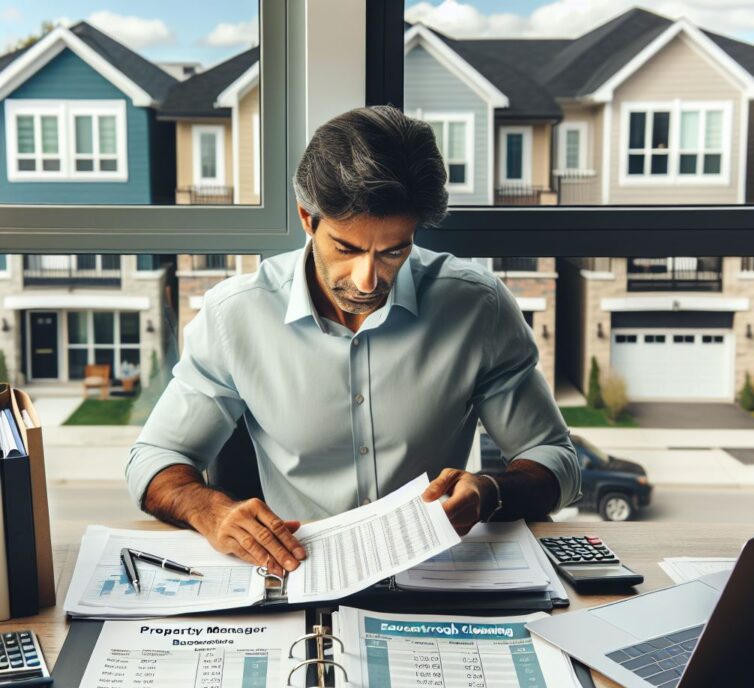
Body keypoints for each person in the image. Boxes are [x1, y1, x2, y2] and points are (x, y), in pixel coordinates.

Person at [126, 105, 580, 575]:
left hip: (436, 575)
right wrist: (211, 510)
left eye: (393, 251)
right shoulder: (234, 314)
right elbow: (155, 459)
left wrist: (490, 492)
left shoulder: (477, 306)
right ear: (308, 218)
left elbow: (556, 460)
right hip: (299, 575)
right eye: (346, 248)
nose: (367, 281)